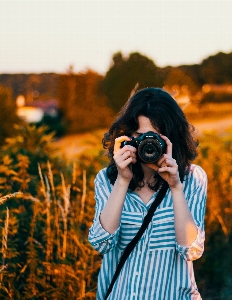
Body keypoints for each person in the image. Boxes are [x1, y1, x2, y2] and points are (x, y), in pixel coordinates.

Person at [88, 87, 207, 300]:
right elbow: (101, 243)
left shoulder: (192, 179)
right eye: (141, 137)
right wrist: (123, 180)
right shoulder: (107, 180)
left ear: (172, 139)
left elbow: (192, 251)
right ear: (127, 138)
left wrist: (176, 187)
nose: (149, 145)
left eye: (156, 138)